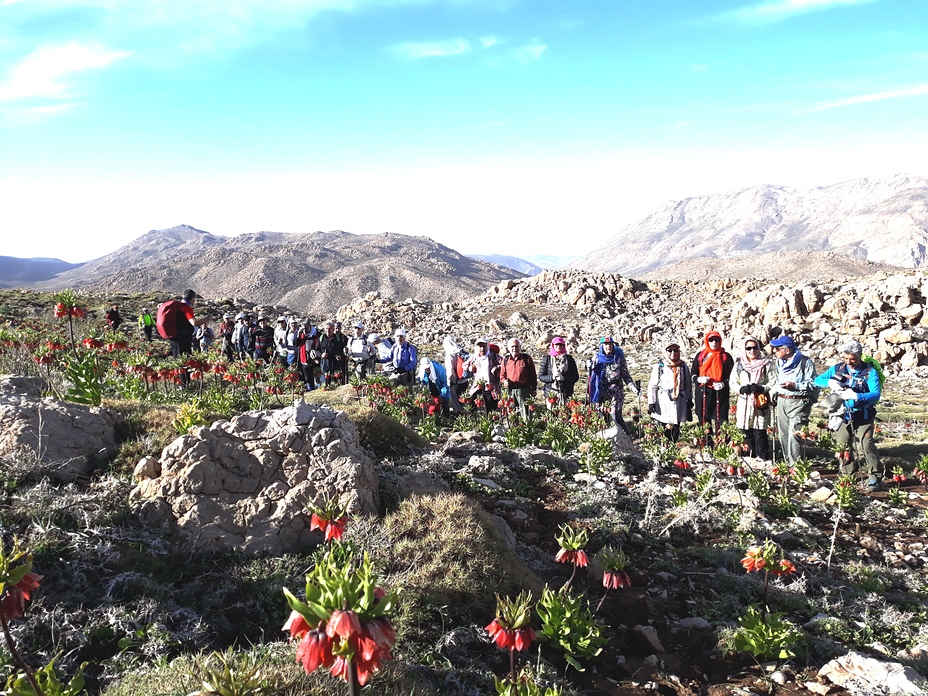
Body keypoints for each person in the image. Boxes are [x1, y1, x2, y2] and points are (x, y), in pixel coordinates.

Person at [814, 340, 883, 489]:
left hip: (864, 414)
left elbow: (876, 394)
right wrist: (830, 382)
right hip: (843, 414)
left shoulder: (870, 372)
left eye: (852, 359)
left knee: (867, 444)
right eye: (846, 358)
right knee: (843, 445)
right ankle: (847, 475)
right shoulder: (838, 368)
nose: (849, 362)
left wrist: (857, 396)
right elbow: (817, 380)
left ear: (859, 356)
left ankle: (876, 477)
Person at [767, 334, 818, 465]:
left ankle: (795, 466)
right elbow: (779, 380)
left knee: (795, 435)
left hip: (799, 402)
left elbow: (814, 384)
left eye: (777, 348)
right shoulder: (779, 362)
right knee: (783, 434)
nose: (774, 351)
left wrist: (795, 386)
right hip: (782, 401)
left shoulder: (805, 362)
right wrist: (775, 390)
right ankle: (788, 463)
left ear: (787, 350)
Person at [731, 336, 773, 460]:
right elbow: (732, 382)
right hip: (744, 403)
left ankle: (762, 459)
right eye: (748, 348)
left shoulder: (766, 364)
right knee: (745, 431)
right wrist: (740, 389)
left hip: (760, 402)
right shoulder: (739, 365)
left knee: (760, 431)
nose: (752, 351)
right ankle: (747, 459)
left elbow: (773, 382)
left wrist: (762, 388)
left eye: (755, 348)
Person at [588, 336, 637, 434]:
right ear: (602, 346)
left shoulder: (618, 358)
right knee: (603, 416)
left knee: (616, 416)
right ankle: (608, 439)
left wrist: (632, 386)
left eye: (610, 344)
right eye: (606, 344)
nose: (608, 347)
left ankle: (627, 439)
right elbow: (591, 375)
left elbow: (625, 374)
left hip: (616, 390)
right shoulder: (596, 358)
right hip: (601, 391)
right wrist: (588, 368)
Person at [692, 331, 734, 439]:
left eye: (717, 340)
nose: (714, 342)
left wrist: (723, 384)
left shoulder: (726, 357)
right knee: (704, 418)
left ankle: (722, 445)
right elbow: (693, 373)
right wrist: (698, 379)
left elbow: (733, 377)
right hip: (703, 391)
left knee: (721, 419)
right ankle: (707, 444)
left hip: (720, 392)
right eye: (711, 340)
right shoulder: (700, 356)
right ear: (707, 341)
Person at [647, 343, 692, 442]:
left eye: (675, 350)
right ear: (665, 352)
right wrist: (651, 402)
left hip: (679, 399)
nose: (673, 353)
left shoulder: (683, 366)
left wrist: (689, 399)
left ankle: (673, 444)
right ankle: (665, 446)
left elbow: (688, 384)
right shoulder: (659, 367)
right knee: (664, 425)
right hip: (663, 400)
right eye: (670, 351)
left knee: (676, 424)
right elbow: (653, 385)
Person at [500, 337, 537, 420]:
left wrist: (534, 389)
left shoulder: (526, 358)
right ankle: (514, 430)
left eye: (516, 346)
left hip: (524, 390)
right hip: (510, 390)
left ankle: (526, 429)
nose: (514, 349)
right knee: (512, 413)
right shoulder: (505, 360)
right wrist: (504, 381)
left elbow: (533, 375)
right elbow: (502, 376)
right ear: (509, 348)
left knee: (525, 413)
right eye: (512, 347)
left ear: (520, 347)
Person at [538, 336, 580, 407]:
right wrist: (552, 377)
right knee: (551, 415)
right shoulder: (547, 359)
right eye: (556, 344)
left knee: (565, 415)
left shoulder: (569, 360)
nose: (558, 346)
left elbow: (575, 377)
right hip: (550, 394)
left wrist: (564, 379)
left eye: (561, 345)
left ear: (564, 346)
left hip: (566, 393)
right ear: (553, 345)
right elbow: (541, 377)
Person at [463, 338, 501, 411]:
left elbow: (504, 364)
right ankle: (474, 419)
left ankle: (490, 420)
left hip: (491, 386)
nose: (482, 348)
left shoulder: (493, 356)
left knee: (490, 406)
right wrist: (469, 367)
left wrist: (497, 367)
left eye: (484, 346)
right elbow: (464, 365)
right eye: (480, 346)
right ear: (477, 347)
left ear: (487, 346)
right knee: (471, 403)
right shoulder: (475, 357)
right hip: (478, 385)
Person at [443, 336, 470, 413]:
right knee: (463, 400)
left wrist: (449, 382)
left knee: (457, 403)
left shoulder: (449, 355)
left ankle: (460, 418)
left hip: (456, 382)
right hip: (465, 380)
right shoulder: (460, 351)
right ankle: (467, 416)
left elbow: (450, 372)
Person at [170, 289, 198, 357]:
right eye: (194, 299)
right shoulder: (186, 307)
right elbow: (194, 323)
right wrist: (207, 318)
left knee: (176, 358)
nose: (194, 301)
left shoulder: (177, 306)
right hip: (183, 338)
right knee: (185, 359)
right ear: (192, 298)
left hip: (174, 337)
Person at [319, 321, 347, 386]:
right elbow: (317, 350)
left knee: (337, 382)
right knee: (325, 381)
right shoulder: (321, 338)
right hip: (325, 363)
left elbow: (342, 349)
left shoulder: (337, 338)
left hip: (335, 363)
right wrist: (321, 355)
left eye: (330, 329)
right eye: (326, 328)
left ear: (333, 329)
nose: (328, 330)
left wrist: (340, 355)